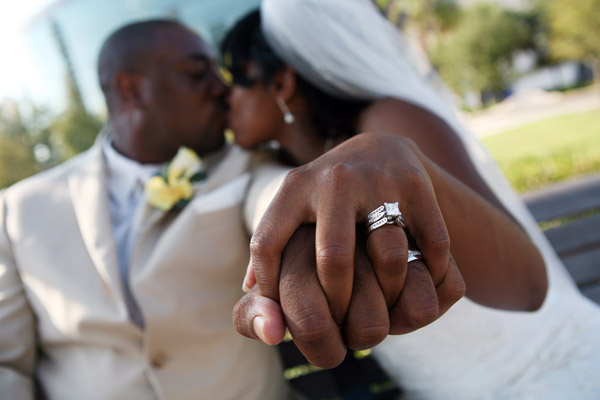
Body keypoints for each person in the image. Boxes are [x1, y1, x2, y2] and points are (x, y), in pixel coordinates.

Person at [0, 18, 469, 399]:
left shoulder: (247, 166)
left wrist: (317, 220)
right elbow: (7, 361)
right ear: (130, 89)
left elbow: (276, 196)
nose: (221, 89)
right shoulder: (19, 210)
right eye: (196, 73)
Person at [223, 1, 600, 398]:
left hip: (546, 373)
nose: (225, 98)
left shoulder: (388, 128)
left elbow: (527, 287)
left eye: (236, 80)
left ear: (280, 83)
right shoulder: (279, 166)